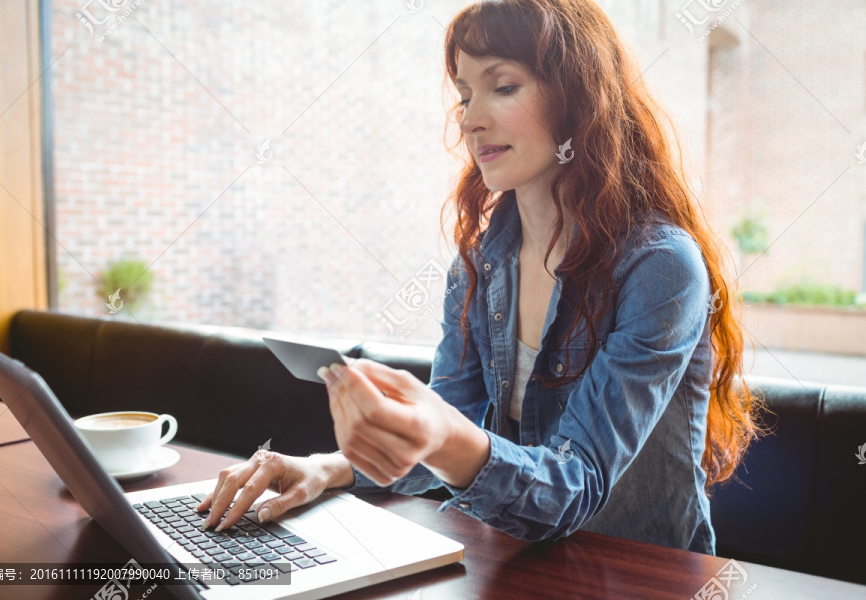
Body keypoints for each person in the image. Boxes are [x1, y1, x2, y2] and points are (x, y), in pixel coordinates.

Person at [195, 0, 767, 554]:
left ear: (580, 100)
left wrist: (441, 433)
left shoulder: (660, 267)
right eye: (465, 95)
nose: (470, 119)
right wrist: (325, 469)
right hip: (517, 562)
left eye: (504, 86)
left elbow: (575, 483)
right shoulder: (479, 265)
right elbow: (452, 428)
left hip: (642, 575)